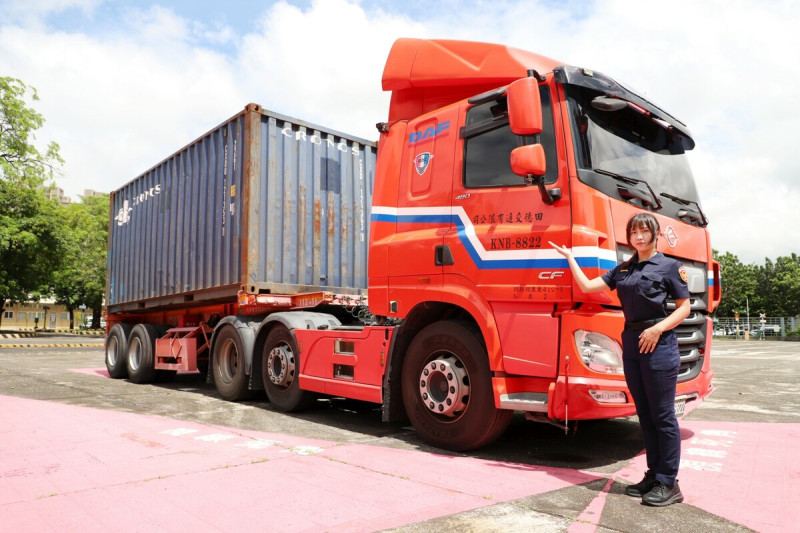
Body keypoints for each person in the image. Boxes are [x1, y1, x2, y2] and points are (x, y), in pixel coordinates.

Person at [550, 212, 690, 507]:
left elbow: (684, 308)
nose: (639, 237)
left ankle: (669, 482)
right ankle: (653, 475)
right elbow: (588, 287)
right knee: (646, 415)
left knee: (663, 416)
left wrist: (658, 328)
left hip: (659, 344)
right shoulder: (624, 269)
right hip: (632, 344)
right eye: (634, 232)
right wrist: (570, 258)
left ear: (654, 234)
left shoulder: (668, 266)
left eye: (644, 231)